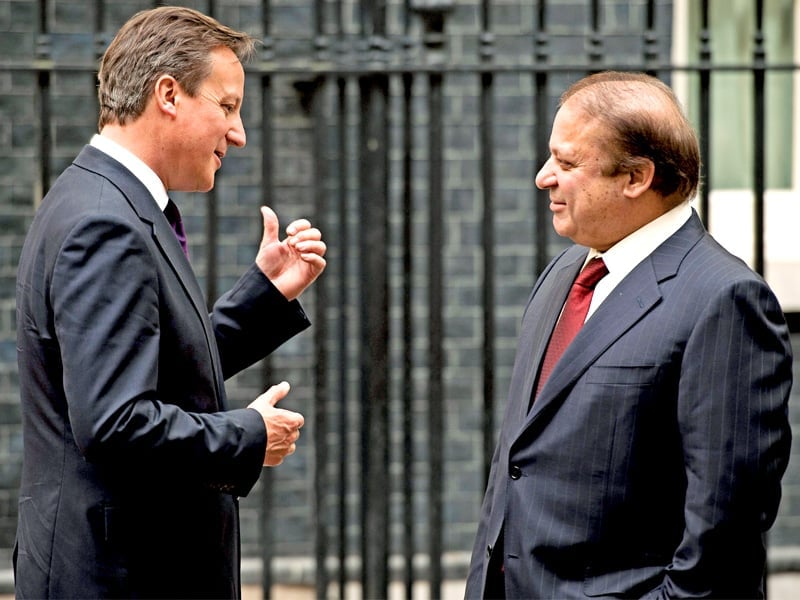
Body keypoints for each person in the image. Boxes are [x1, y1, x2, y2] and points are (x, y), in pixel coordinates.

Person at [13, 6, 326, 599]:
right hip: (123, 575)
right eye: (228, 107)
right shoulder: (106, 224)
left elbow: (142, 366)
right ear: (168, 95)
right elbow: (114, 423)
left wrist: (263, 298)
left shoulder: (98, 198)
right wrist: (249, 436)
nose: (238, 133)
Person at [465, 71, 792, 599]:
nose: (543, 177)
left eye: (568, 163)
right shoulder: (564, 275)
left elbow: (725, 532)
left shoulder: (725, 300)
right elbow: (517, 468)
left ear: (636, 177)